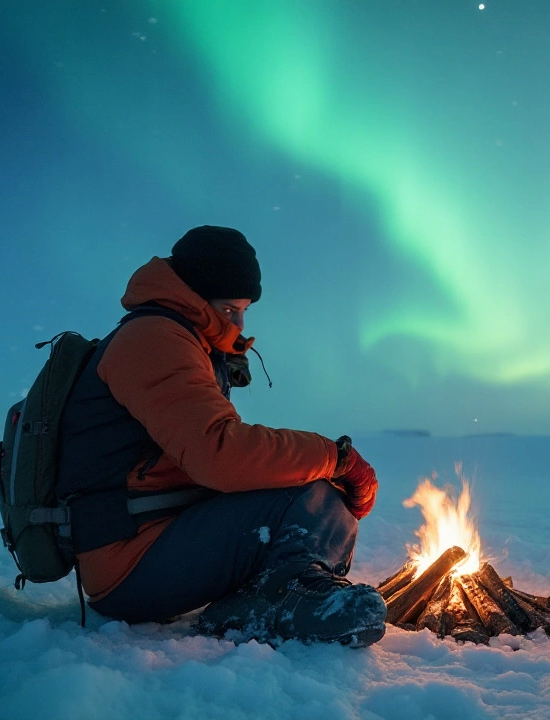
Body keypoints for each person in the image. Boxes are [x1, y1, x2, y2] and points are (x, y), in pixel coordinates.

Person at [56, 225, 386, 647]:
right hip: (129, 562)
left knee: (305, 483)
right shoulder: (153, 339)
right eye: (230, 309)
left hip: (150, 540)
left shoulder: (176, 337)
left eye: (244, 310)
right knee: (312, 494)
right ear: (196, 294)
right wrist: (338, 458)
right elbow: (219, 452)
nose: (240, 323)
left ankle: (262, 597)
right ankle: (285, 597)